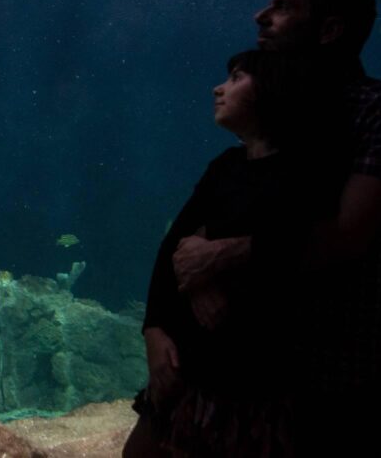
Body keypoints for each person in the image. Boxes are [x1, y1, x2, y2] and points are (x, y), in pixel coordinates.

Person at [169, 0, 381, 457]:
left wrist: (219, 258)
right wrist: (176, 302)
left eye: (282, 8)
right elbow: (203, 223)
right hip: (247, 377)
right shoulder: (275, 121)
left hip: (336, 381)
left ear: (330, 30)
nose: (259, 16)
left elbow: (348, 235)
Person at [123, 48, 344, 457]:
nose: (218, 87)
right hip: (192, 368)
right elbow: (174, 247)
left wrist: (211, 270)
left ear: (273, 90)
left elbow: (299, 251)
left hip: (261, 381)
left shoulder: (308, 172)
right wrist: (154, 329)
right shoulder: (225, 166)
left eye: (237, 78)